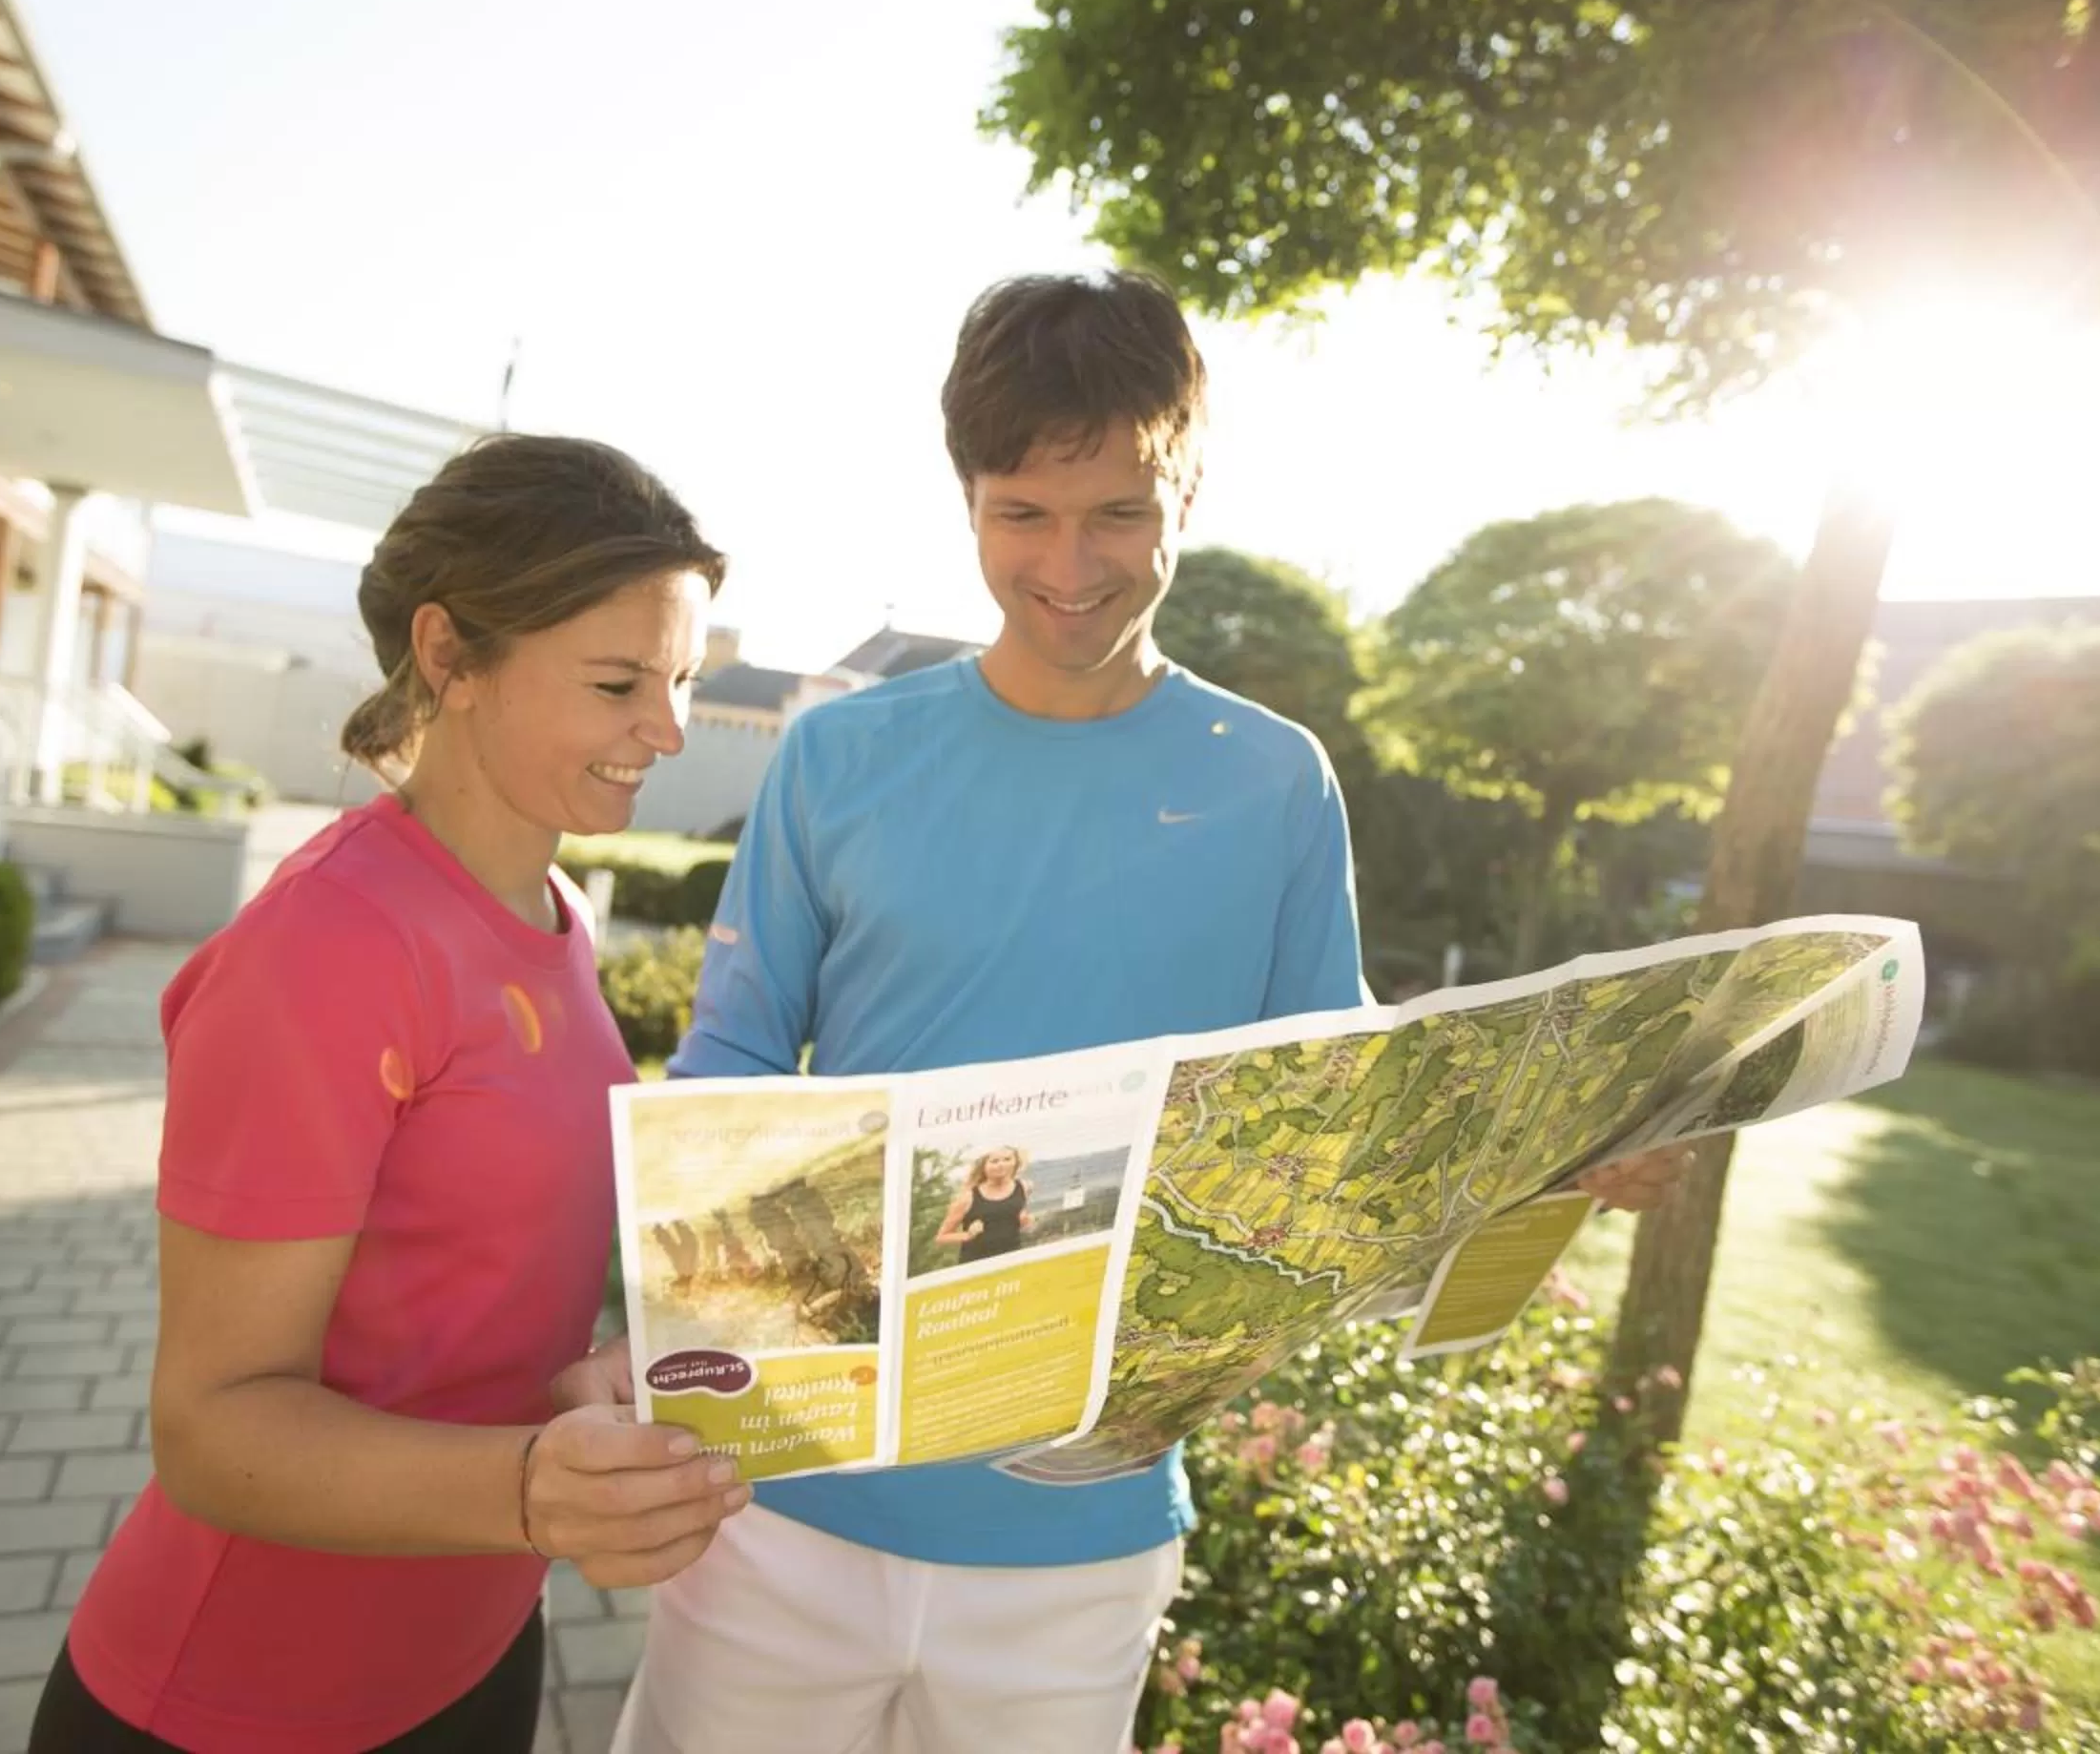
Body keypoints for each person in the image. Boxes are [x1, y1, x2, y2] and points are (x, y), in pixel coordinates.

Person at [602, 273, 1686, 1754]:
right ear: (967, 502)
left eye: (1117, 511)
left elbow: (1344, 1124)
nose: (1068, 563)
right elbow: (728, 1057)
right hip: (783, 1505)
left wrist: (1555, 1154)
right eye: (1020, 512)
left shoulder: (1278, 781)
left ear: (1185, 488)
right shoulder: (839, 757)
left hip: (1083, 1536)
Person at [30, 436, 750, 1754]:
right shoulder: (330, 946)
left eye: (686, 678)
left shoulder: (556, 911)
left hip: (472, 1651)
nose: (671, 727)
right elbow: (212, 1428)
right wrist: (534, 1489)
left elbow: (481, 1281)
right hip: (243, 1701)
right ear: (448, 655)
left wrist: (597, 1379)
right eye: (617, 681)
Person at [935, 1147, 1032, 1264]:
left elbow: (1014, 1217)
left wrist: (1025, 1220)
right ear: (983, 1166)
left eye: (1007, 1159)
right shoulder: (967, 1198)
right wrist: (968, 1235)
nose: (1001, 1165)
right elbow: (941, 1237)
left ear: (1016, 1162)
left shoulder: (1023, 1187)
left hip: (1012, 1257)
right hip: (977, 1262)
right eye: (994, 1161)